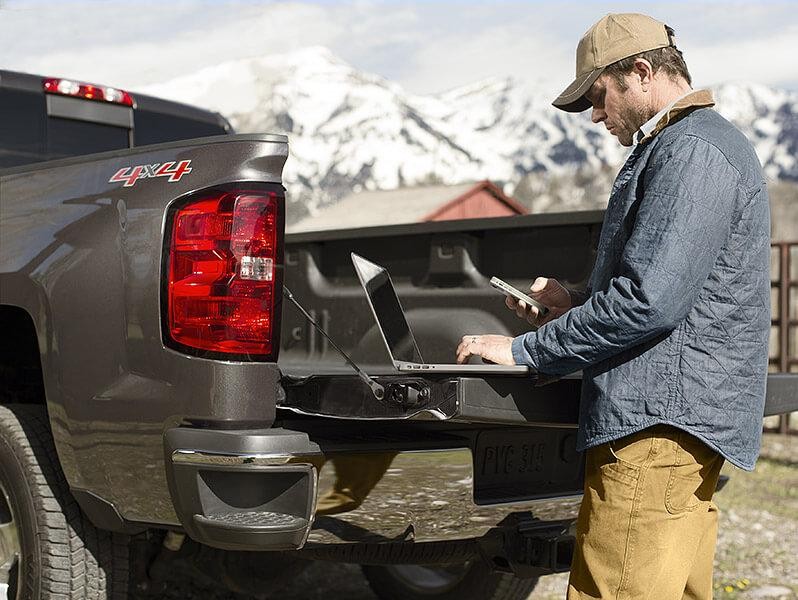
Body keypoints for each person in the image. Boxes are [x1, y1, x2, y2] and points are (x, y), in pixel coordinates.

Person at [456, 13, 770, 600]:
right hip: (671, 431)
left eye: (598, 97)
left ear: (642, 72)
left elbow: (648, 303)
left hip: (656, 432)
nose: (597, 117)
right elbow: (663, 286)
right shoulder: (687, 148)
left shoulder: (692, 153)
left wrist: (526, 351)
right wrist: (570, 299)